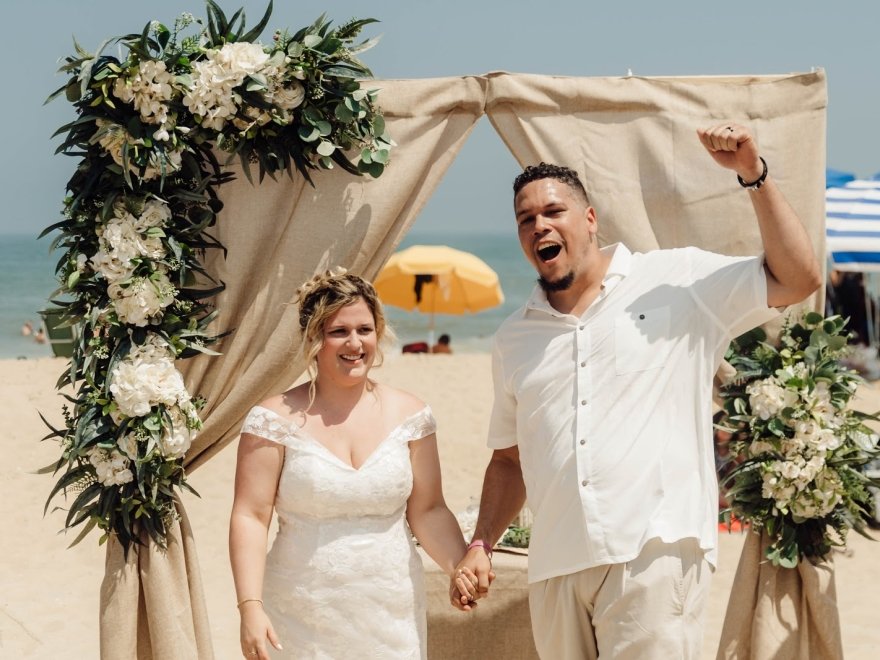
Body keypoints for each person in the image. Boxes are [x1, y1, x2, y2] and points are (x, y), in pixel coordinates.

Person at [450, 124, 822, 659]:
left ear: (590, 220)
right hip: (554, 567)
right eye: (525, 219)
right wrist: (481, 543)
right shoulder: (514, 337)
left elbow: (799, 278)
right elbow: (509, 460)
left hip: (655, 553)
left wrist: (753, 175)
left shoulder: (678, 280)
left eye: (553, 212)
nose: (539, 226)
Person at [229, 269, 477, 659]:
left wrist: (457, 568)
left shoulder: (412, 415)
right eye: (338, 331)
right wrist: (250, 606)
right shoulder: (272, 420)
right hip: (300, 612)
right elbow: (250, 516)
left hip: (391, 613)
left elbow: (428, 510)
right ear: (314, 338)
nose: (355, 343)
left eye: (365, 329)